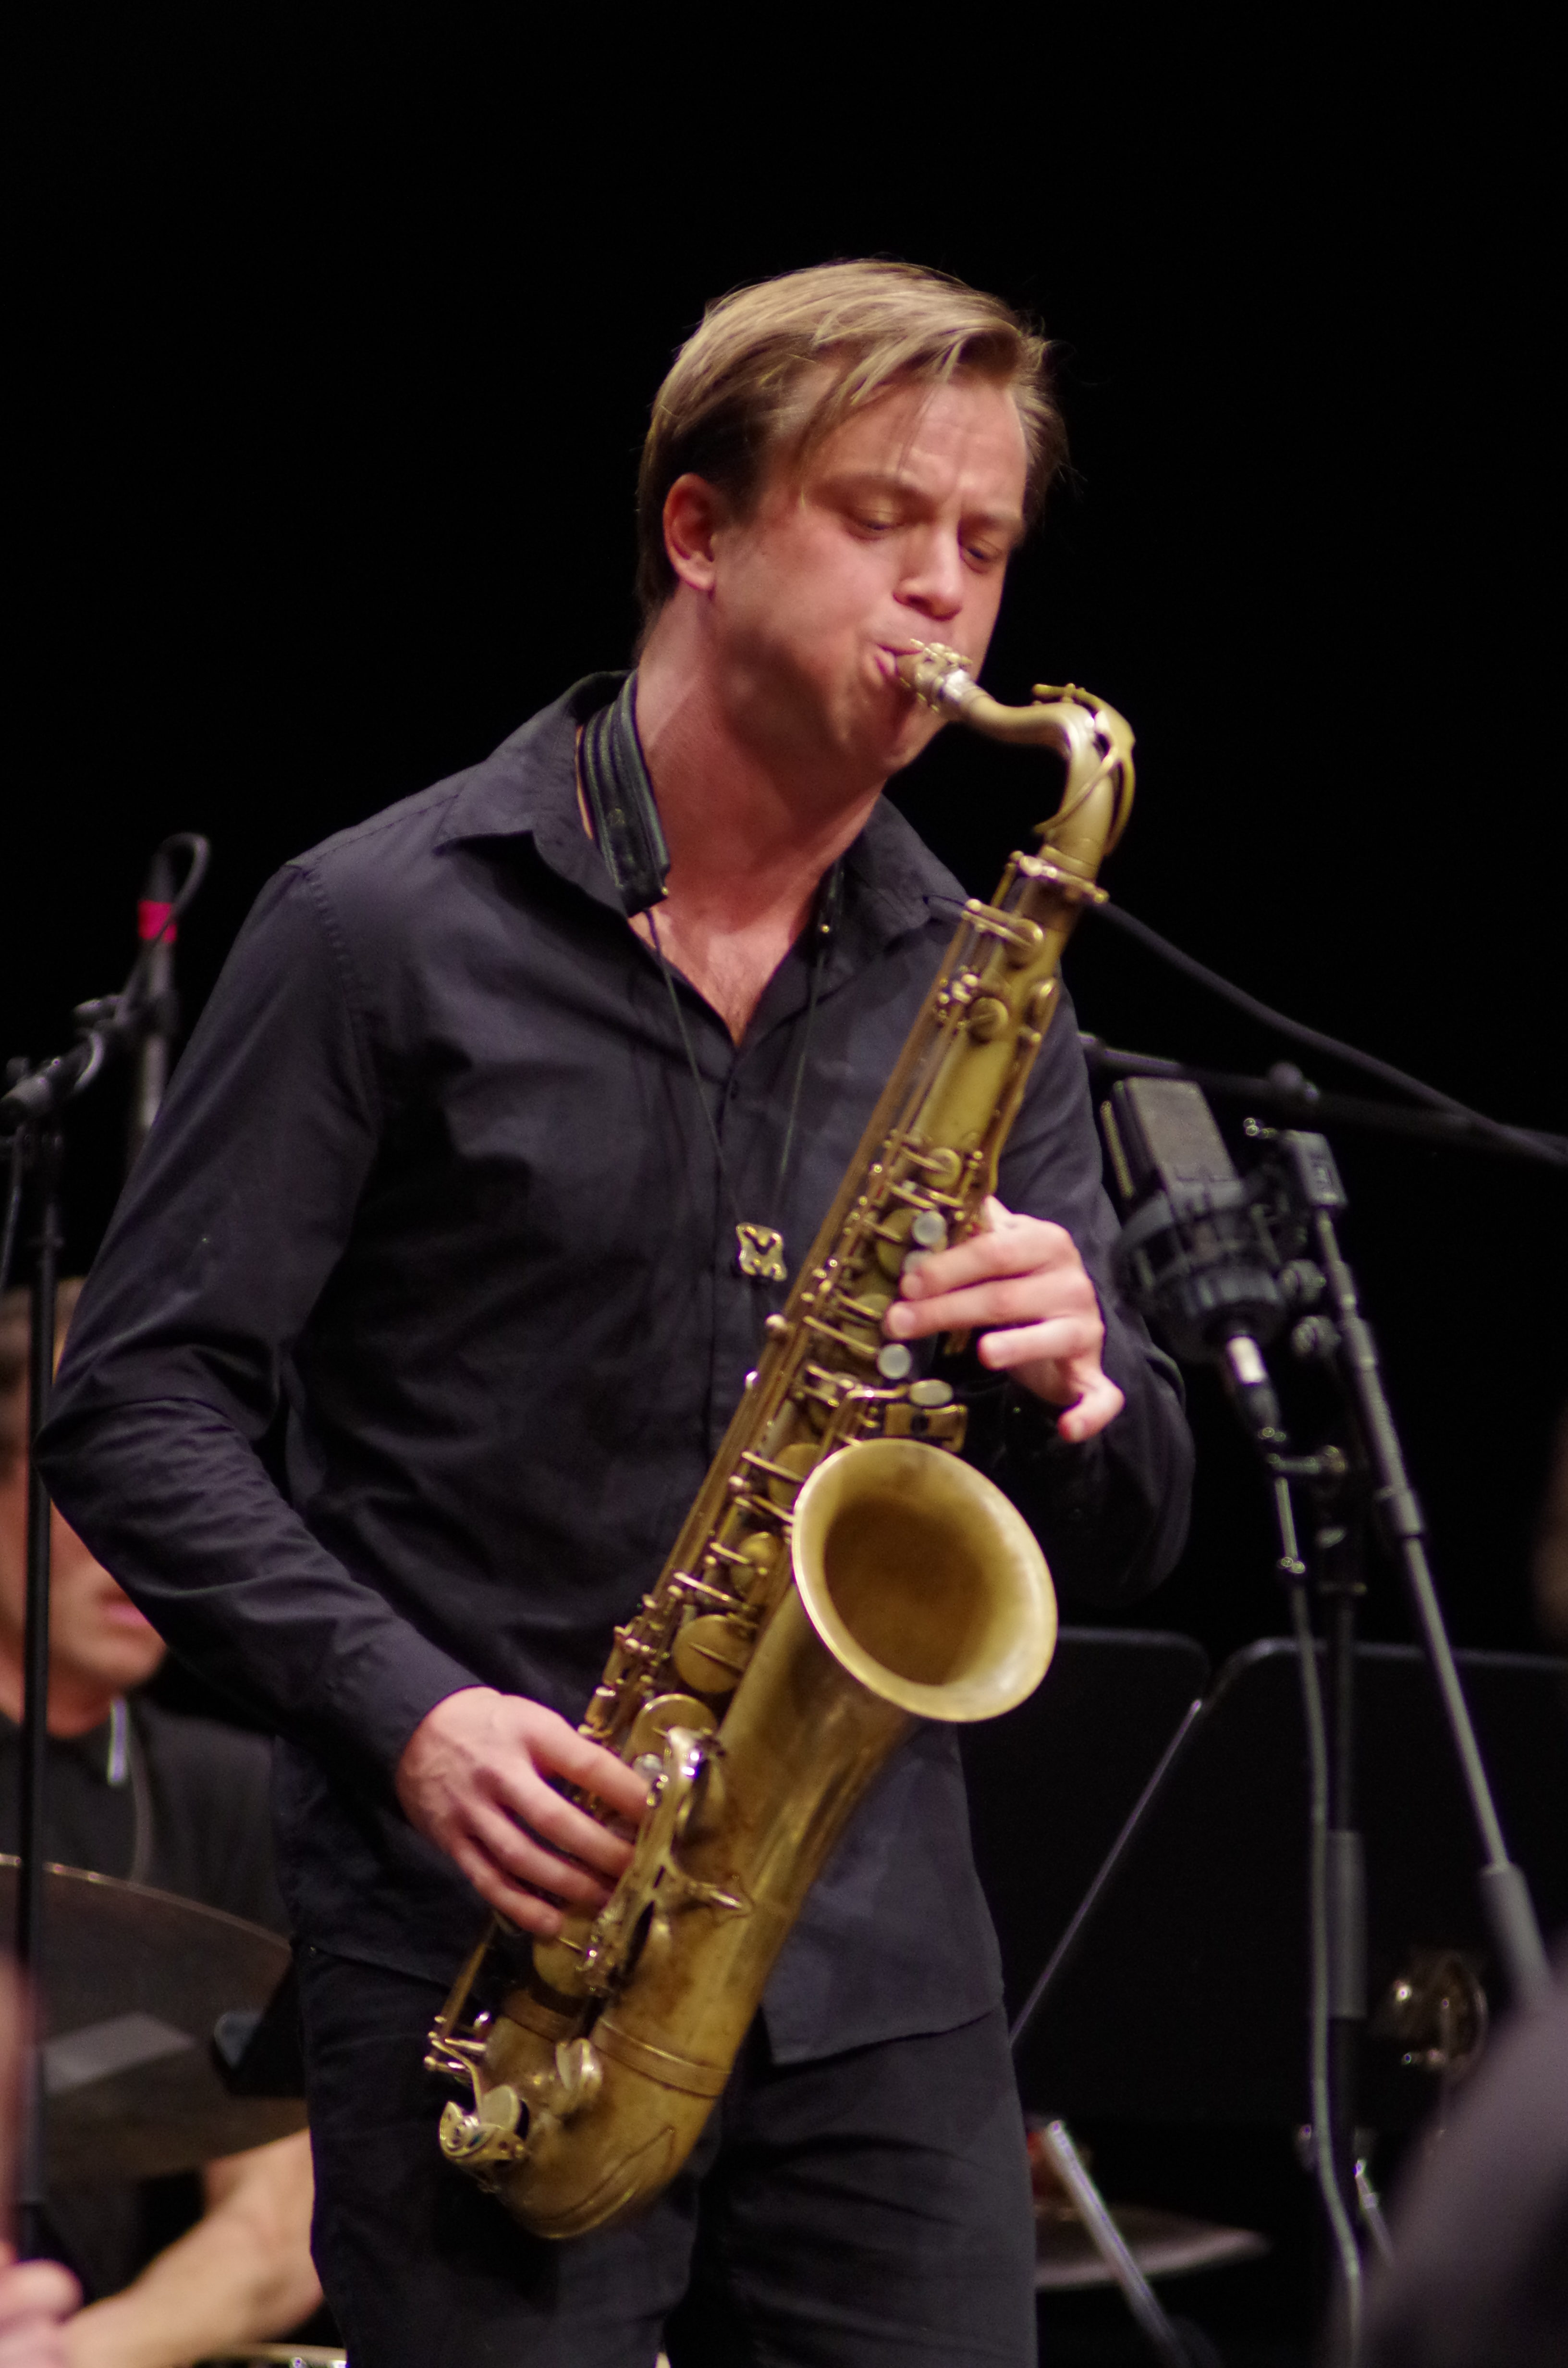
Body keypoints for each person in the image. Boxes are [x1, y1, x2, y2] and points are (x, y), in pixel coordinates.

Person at [38, 259, 1194, 2365]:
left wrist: (1084, 1381)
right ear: (699, 529)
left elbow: (1130, 1530)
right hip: (498, 1956)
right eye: (881, 516)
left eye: (985, 539)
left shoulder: (984, 986)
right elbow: (134, 1402)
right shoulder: (381, 926)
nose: (943, 589)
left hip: (876, 1982)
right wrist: (410, 1715)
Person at [0, 1284, 324, 2365]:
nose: (142, 1538)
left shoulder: (229, 1792)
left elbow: (281, 2217)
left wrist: (84, 2354)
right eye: (100, 1476)